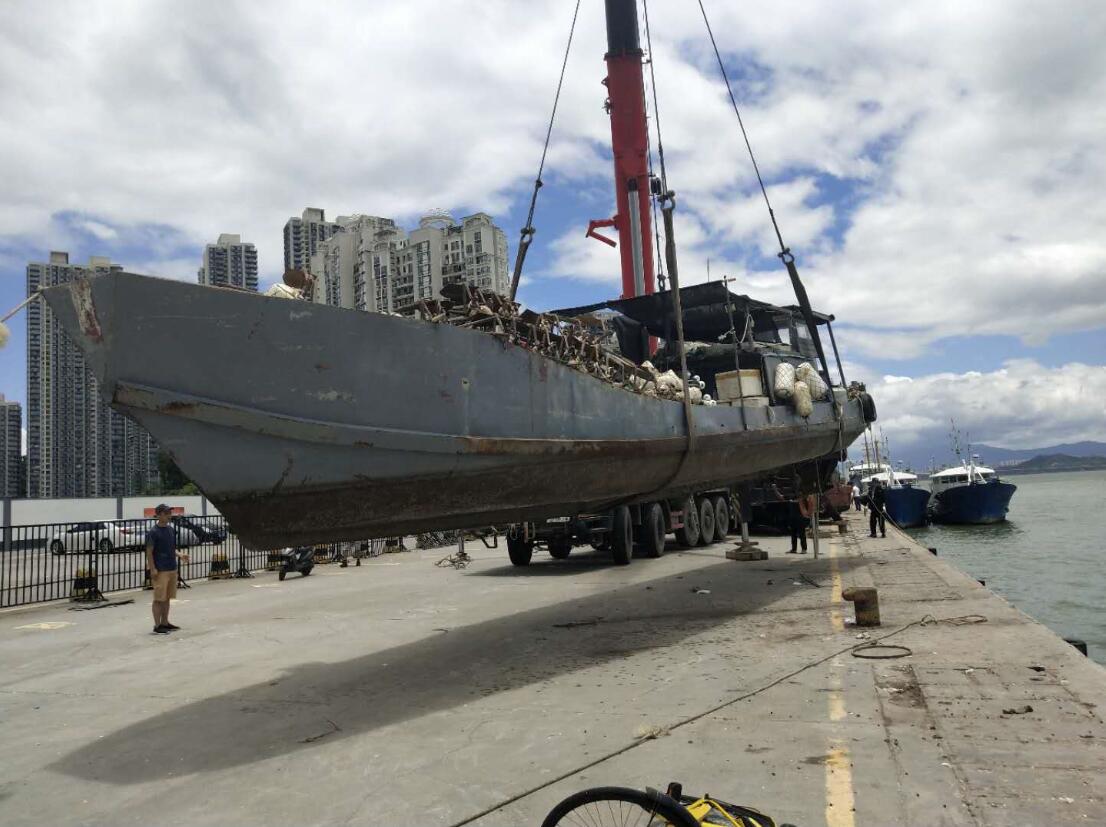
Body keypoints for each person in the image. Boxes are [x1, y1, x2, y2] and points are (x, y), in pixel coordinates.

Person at [146, 504, 189, 634]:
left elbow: (171, 548)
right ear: (159, 515)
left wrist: (180, 555)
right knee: (159, 598)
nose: (169, 515)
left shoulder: (170, 530)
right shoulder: (153, 532)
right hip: (161, 569)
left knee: (167, 597)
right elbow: (149, 552)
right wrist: (152, 568)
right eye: (166, 513)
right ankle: (157, 625)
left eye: (169, 513)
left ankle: (165, 622)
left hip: (171, 567)